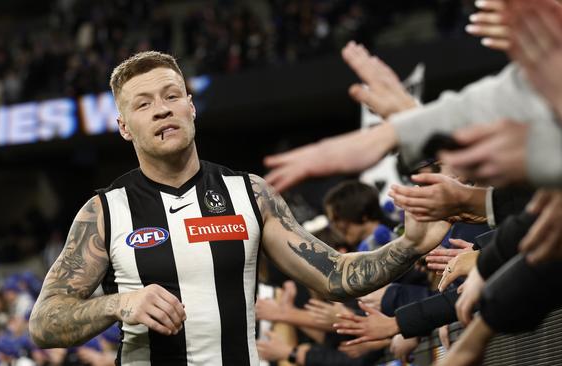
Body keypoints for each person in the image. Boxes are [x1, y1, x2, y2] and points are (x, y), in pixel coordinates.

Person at [28, 51, 451, 365]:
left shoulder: (250, 194)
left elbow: (336, 276)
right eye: (142, 104)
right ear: (124, 127)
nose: (161, 109)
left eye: (171, 95)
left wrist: (410, 245)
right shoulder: (103, 212)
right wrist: (118, 303)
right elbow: (44, 321)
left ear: (190, 107)